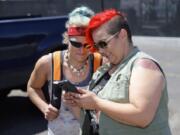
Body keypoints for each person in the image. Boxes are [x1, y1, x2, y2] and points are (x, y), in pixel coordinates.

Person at [65, 9, 172, 135]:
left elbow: (142, 117)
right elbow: (96, 118)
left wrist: (96, 103)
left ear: (122, 35)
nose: (100, 51)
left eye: (103, 43)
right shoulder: (105, 69)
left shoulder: (143, 66)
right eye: (96, 46)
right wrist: (78, 103)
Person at [27, 6, 103, 135]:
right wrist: (45, 107)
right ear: (67, 38)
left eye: (87, 45)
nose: (81, 50)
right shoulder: (49, 62)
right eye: (76, 44)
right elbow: (32, 87)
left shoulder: (100, 62)